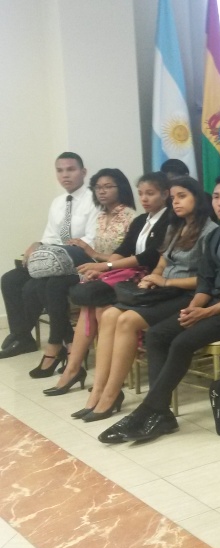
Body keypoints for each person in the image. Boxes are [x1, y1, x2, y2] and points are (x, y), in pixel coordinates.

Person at [96, 174, 220, 444]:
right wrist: (193, 309)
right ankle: (162, 413)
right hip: (211, 307)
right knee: (157, 334)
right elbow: (206, 282)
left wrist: (207, 313)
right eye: (217, 196)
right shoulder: (216, 236)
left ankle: (148, 411)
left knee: (182, 342)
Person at [72, 177, 216, 421]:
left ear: (197, 198)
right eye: (174, 198)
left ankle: (110, 395)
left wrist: (166, 282)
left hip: (187, 294)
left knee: (127, 320)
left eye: (182, 196)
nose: (176, 202)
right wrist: (152, 278)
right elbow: (162, 263)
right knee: (109, 315)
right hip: (163, 291)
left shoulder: (211, 232)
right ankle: (100, 391)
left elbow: (207, 280)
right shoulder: (175, 226)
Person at [45, 173, 173, 396]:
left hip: (149, 278)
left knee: (99, 305)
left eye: (150, 193)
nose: (144, 198)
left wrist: (108, 266)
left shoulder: (169, 220)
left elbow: (149, 257)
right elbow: (123, 250)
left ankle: (100, 377)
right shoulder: (142, 220)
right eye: (141, 193)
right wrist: (102, 268)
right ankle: (76, 369)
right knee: (92, 305)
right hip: (130, 275)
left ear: (165, 194)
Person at [33, 167, 136, 380]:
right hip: (97, 268)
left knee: (57, 285)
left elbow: (127, 256)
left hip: (120, 271)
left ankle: (61, 348)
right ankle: (68, 345)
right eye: (98, 187)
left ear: (121, 188)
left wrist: (92, 254)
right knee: (45, 283)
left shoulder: (130, 217)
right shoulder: (101, 216)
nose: (102, 191)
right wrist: (91, 258)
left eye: (108, 187)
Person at [1, 152, 100, 361]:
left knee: (32, 287)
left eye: (71, 169)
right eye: (60, 170)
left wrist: (57, 250)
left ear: (83, 172)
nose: (65, 175)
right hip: (52, 260)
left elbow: (92, 240)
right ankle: (23, 336)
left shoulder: (94, 200)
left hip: (79, 260)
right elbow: (50, 237)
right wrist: (37, 245)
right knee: (10, 280)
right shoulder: (58, 202)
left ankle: (62, 340)